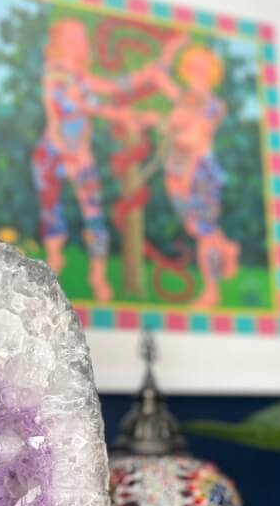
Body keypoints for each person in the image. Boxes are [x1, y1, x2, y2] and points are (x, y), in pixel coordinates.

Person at [32, 19, 178, 301]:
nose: (79, 45)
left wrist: (154, 69)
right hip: (53, 153)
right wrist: (125, 115)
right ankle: (53, 268)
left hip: (80, 154)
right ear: (58, 44)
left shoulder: (81, 76)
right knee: (53, 215)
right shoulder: (56, 72)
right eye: (72, 39)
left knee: (94, 215)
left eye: (80, 39)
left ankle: (97, 277)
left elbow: (114, 86)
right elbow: (80, 103)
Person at [152, 42, 239, 308]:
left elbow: (195, 138)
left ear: (211, 73)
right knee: (195, 227)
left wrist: (169, 128)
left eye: (202, 68)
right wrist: (170, 49)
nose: (196, 73)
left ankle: (212, 291)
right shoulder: (183, 97)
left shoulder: (213, 105)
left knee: (203, 231)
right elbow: (159, 77)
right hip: (176, 170)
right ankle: (226, 247)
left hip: (199, 172)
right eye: (191, 67)